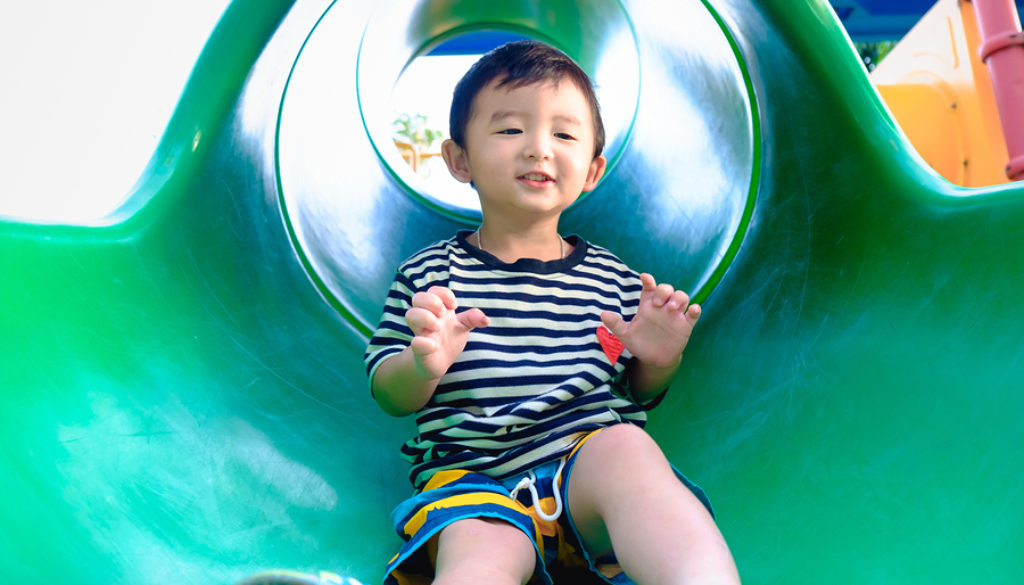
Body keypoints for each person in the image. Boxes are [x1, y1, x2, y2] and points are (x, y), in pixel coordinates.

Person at [365, 40, 740, 585]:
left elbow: (632, 391)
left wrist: (657, 360)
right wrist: (422, 365)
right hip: (474, 483)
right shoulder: (429, 276)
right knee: (479, 551)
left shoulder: (612, 279)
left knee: (629, 449)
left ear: (591, 170)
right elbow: (386, 392)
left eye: (564, 134)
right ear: (459, 159)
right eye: (511, 130)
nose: (539, 148)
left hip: (584, 471)